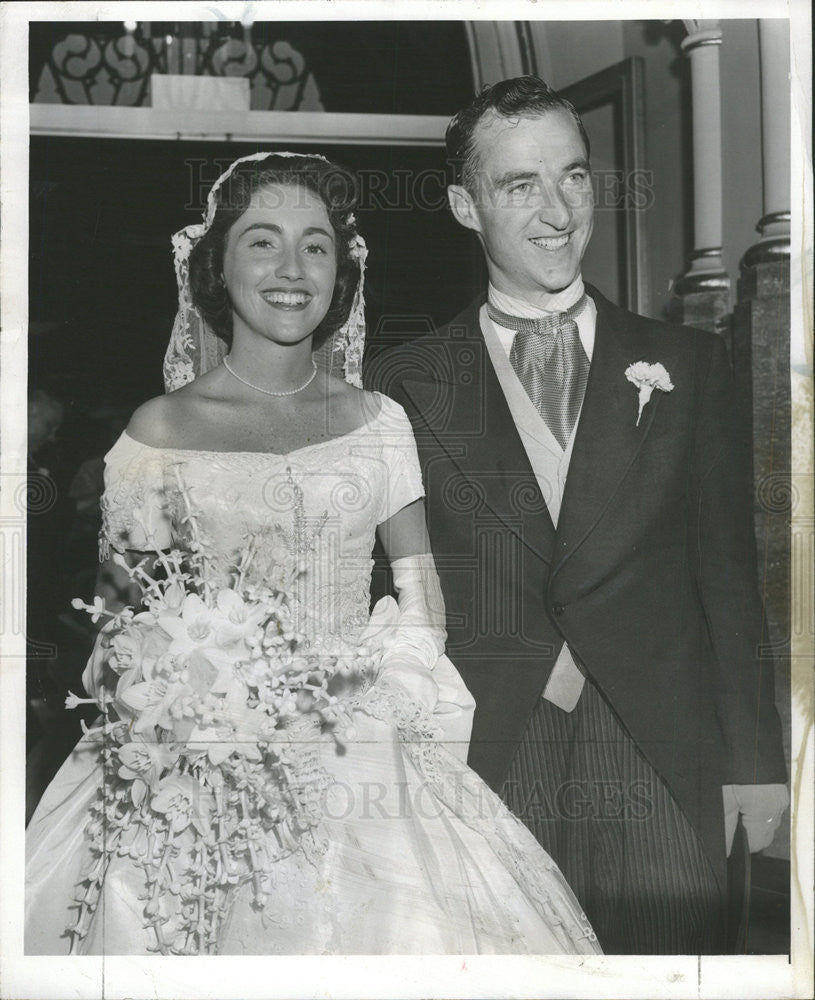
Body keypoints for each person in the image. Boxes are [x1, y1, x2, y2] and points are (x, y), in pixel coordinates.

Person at [24, 152, 601, 956]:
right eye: (262, 243)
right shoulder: (157, 430)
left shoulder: (378, 422)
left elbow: (417, 596)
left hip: (357, 751)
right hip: (192, 768)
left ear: (342, 270)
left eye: (316, 246)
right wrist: (183, 708)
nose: (293, 270)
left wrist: (381, 690)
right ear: (217, 269)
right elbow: (118, 629)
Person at [370, 77, 789, 954]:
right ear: (462, 205)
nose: (556, 210)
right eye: (519, 185)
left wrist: (758, 784)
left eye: (573, 177)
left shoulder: (687, 364)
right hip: (487, 763)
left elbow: (729, 588)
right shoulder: (405, 386)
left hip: (659, 761)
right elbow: (396, 606)